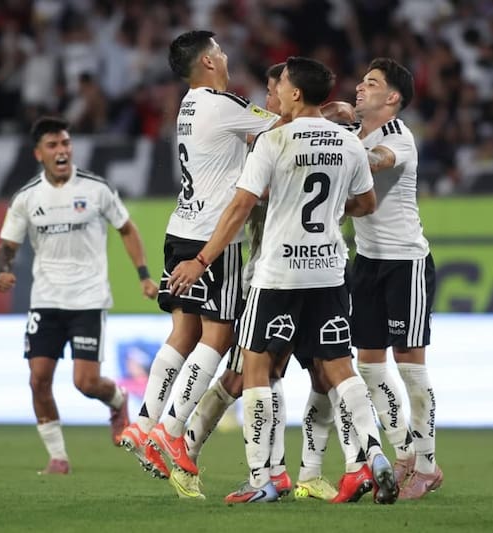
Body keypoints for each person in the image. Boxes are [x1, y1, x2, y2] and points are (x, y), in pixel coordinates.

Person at [169, 56, 398, 504]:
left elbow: (237, 209)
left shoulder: (274, 141)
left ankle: (264, 479)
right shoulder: (348, 144)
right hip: (329, 271)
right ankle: (373, 453)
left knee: (254, 367)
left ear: (294, 94)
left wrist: (201, 259)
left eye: (282, 86)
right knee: (338, 367)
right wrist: (332, 210)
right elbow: (367, 204)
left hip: (278, 273)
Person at [118, 30, 279, 491]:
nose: (227, 56)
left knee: (182, 332)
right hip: (213, 236)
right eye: (221, 51)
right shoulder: (225, 105)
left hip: (179, 229)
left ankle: (143, 421)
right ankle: (171, 431)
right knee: (218, 335)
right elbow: (285, 126)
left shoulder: (188, 105)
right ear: (208, 62)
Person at [0, 115, 158, 475]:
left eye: (66, 143)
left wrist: (144, 276)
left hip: (88, 299)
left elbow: (127, 230)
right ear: (39, 153)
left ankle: (116, 399)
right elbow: (8, 245)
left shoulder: (96, 189)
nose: (62, 150)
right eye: (53, 145)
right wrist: (4, 270)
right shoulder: (27, 198)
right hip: (46, 300)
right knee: (38, 378)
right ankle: (58, 457)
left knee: (85, 382)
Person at [350, 57, 443, 499]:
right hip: (367, 260)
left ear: (392, 99)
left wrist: (334, 146)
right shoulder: (352, 134)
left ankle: (426, 466)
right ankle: (404, 451)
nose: (359, 88)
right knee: (368, 365)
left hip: (406, 263)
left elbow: (377, 162)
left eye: (371, 84)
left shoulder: (397, 137)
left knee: (410, 366)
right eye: (362, 81)